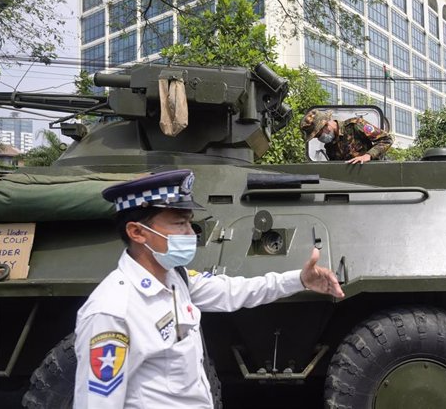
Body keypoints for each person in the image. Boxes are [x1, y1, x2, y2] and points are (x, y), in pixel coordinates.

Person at [73, 169, 344, 408]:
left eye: (190, 222)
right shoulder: (112, 312)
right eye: (179, 224)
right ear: (137, 232)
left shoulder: (176, 279)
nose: (191, 233)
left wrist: (299, 280)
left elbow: (235, 291)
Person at [300, 108, 394, 164]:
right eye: (317, 137)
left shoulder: (355, 125)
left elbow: (387, 139)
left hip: (373, 175)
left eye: (319, 134)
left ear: (326, 124)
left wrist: (368, 155)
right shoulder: (330, 147)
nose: (320, 138)